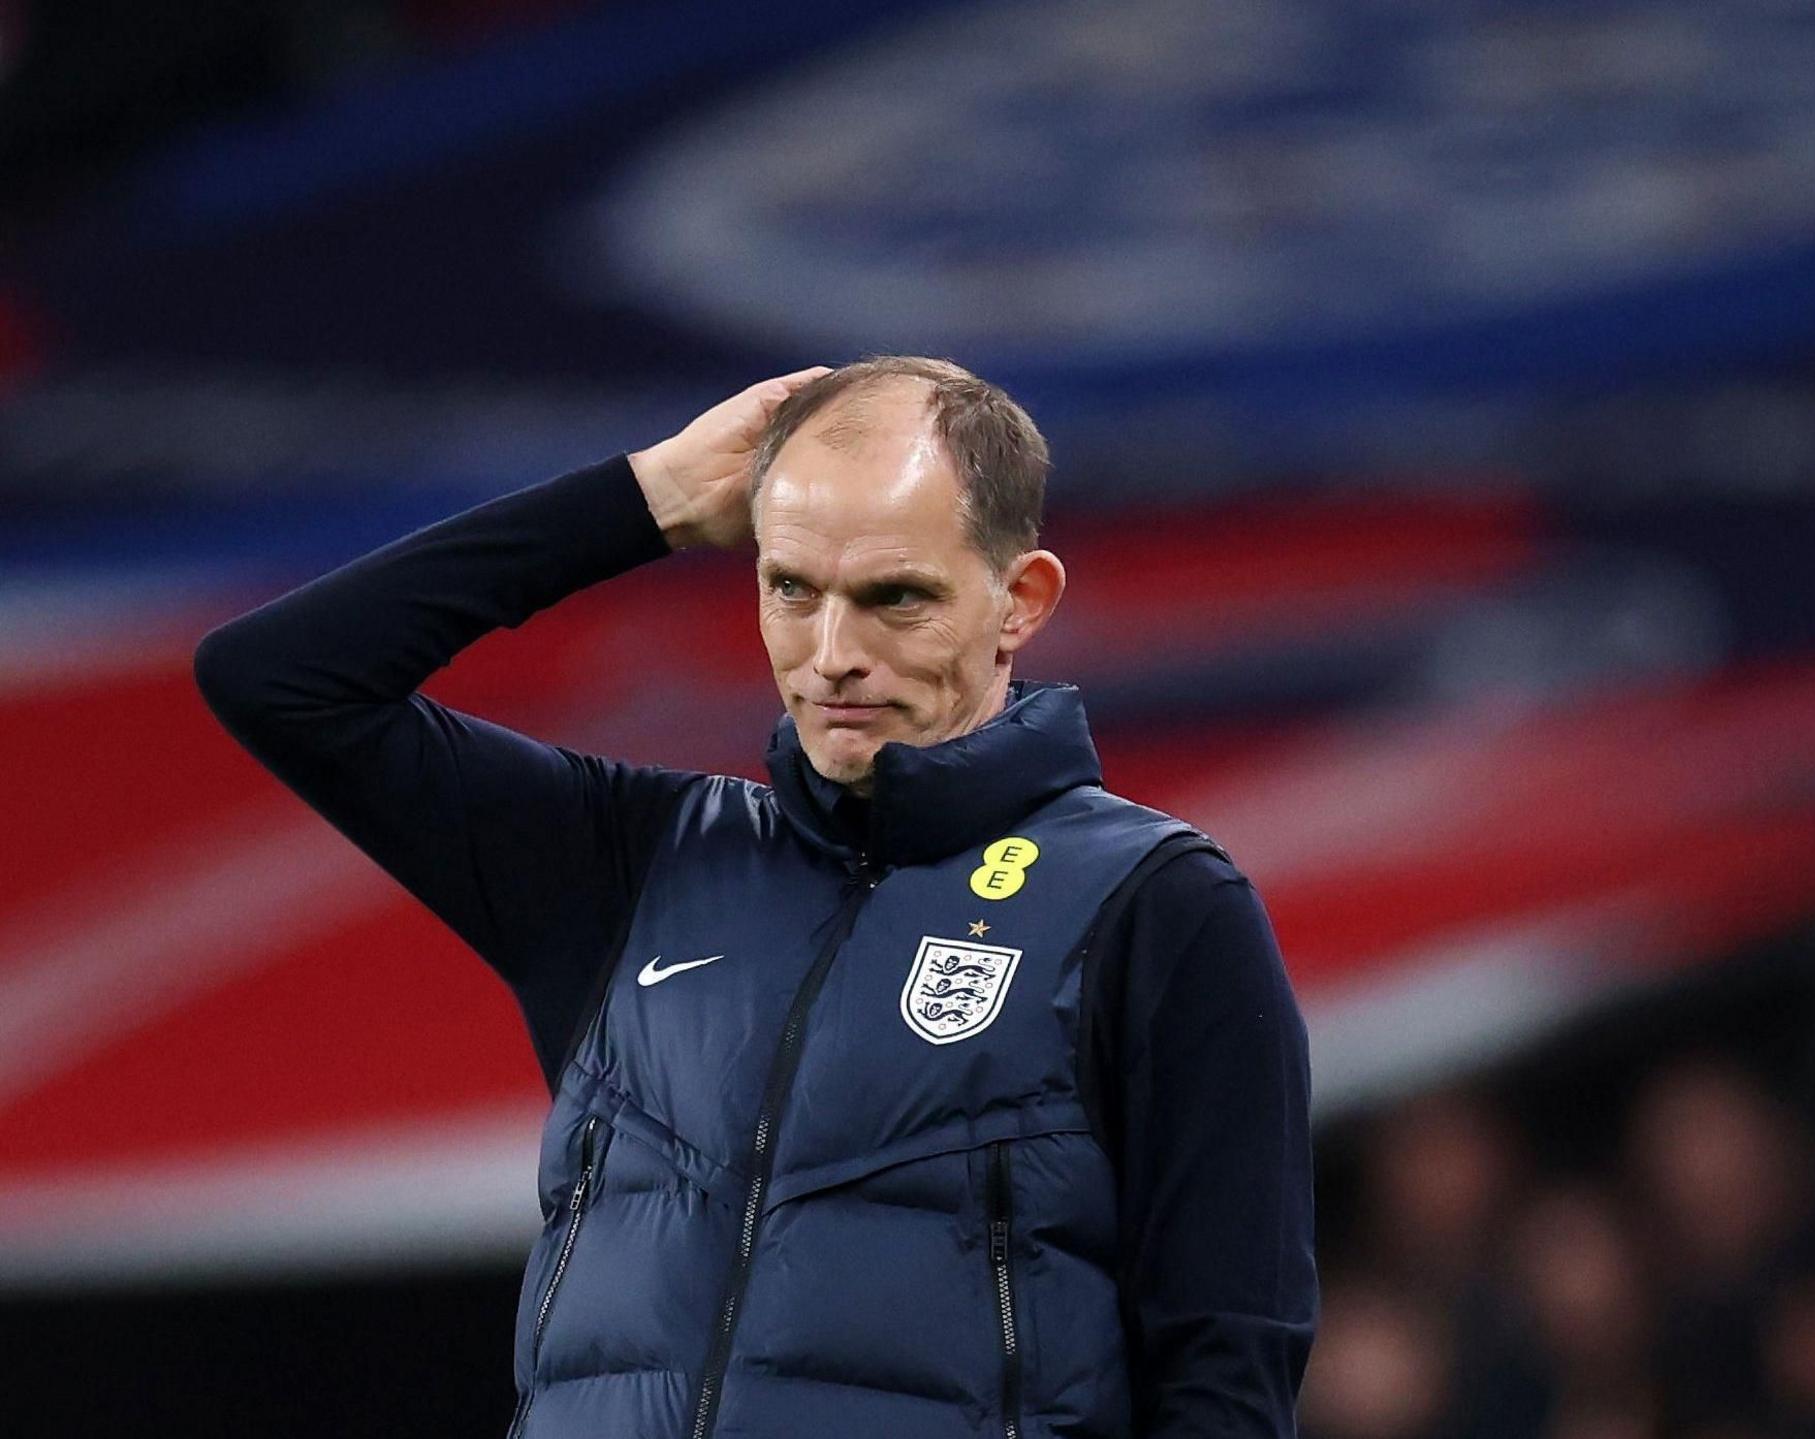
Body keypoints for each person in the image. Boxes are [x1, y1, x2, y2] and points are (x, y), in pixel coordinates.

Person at [192, 357, 1318, 1438]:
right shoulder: (634, 858)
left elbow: (1227, 1365)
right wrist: (650, 498)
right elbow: (282, 679)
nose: (832, 653)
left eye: (895, 597)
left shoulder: (1153, 901)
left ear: (1019, 599)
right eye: (792, 588)